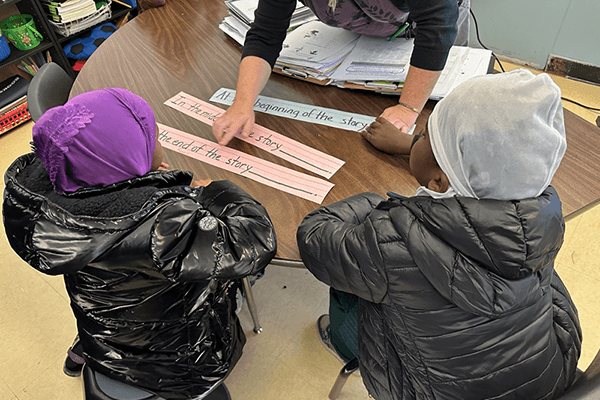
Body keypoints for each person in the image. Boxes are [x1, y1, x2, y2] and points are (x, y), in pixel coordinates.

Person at [296, 69, 582, 399]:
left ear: (438, 182)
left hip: (429, 393)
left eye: (426, 135)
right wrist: (412, 148)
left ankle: (339, 339)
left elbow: (314, 238)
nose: (417, 136)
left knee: (353, 289)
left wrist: (378, 207)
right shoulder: (541, 217)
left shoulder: (394, 239)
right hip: (549, 379)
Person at [3, 88, 277, 399]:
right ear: (126, 160)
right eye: (154, 137)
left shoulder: (58, 204)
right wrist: (214, 193)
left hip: (105, 336)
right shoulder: (164, 224)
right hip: (174, 364)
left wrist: (145, 181)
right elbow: (253, 243)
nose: (158, 143)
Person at [212, 0, 471, 149]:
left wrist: (407, 107)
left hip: (426, 31)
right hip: (367, 34)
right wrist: (242, 103)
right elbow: (266, 33)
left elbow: (439, 26)